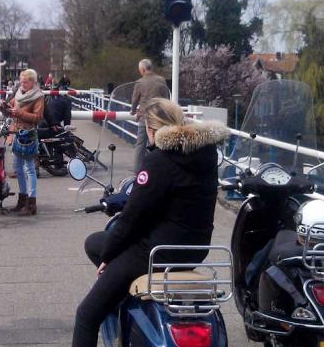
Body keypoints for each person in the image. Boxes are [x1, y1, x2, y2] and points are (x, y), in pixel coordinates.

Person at [71, 98, 229, 347]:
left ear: (151, 130)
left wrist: (109, 257)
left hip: (155, 253)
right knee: (95, 243)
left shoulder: (159, 160)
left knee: (86, 316)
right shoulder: (206, 156)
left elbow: (132, 218)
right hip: (194, 251)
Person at [0, 69, 45, 215]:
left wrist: (18, 113)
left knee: (29, 169)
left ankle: (31, 202)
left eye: (25, 82)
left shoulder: (38, 97)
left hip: (28, 135)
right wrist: (4, 108)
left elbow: (38, 117)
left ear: (33, 82)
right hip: (16, 133)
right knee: (18, 168)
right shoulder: (18, 93)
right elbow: (10, 109)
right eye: (22, 81)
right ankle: (22, 199)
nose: (22, 84)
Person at [129, 58, 170, 173]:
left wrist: (133, 111)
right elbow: (166, 98)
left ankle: (137, 171)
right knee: (159, 143)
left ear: (142, 69)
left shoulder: (140, 82)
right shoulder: (162, 80)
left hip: (145, 117)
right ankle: (158, 168)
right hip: (159, 117)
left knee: (140, 144)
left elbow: (134, 100)